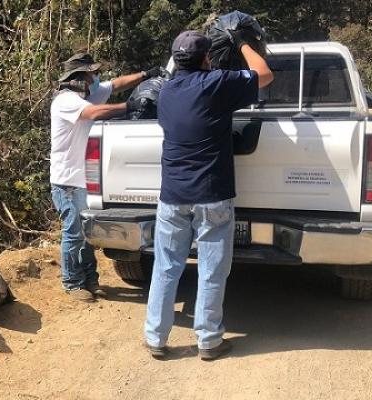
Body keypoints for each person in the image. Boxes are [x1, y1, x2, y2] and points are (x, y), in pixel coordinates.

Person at [143, 31, 274, 359]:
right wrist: (243, 42)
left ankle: (155, 338)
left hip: (172, 195)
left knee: (166, 267)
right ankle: (209, 341)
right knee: (211, 269)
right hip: (211, 194)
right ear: (207, 59)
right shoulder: (216, 83)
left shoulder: (167, 91)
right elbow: (265, 74)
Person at [50, 52, 157, 302]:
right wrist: (130, 106)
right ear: (81, 77)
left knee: (88, 234)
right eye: (92, 74)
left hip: (85, 181)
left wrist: (145, 75)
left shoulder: (87, 94)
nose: (97, 78)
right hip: (68, 182)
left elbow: (117, 84)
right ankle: (73, 283)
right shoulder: (66, 101)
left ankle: (90, 279)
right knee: (75, 233)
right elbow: (95, 114)